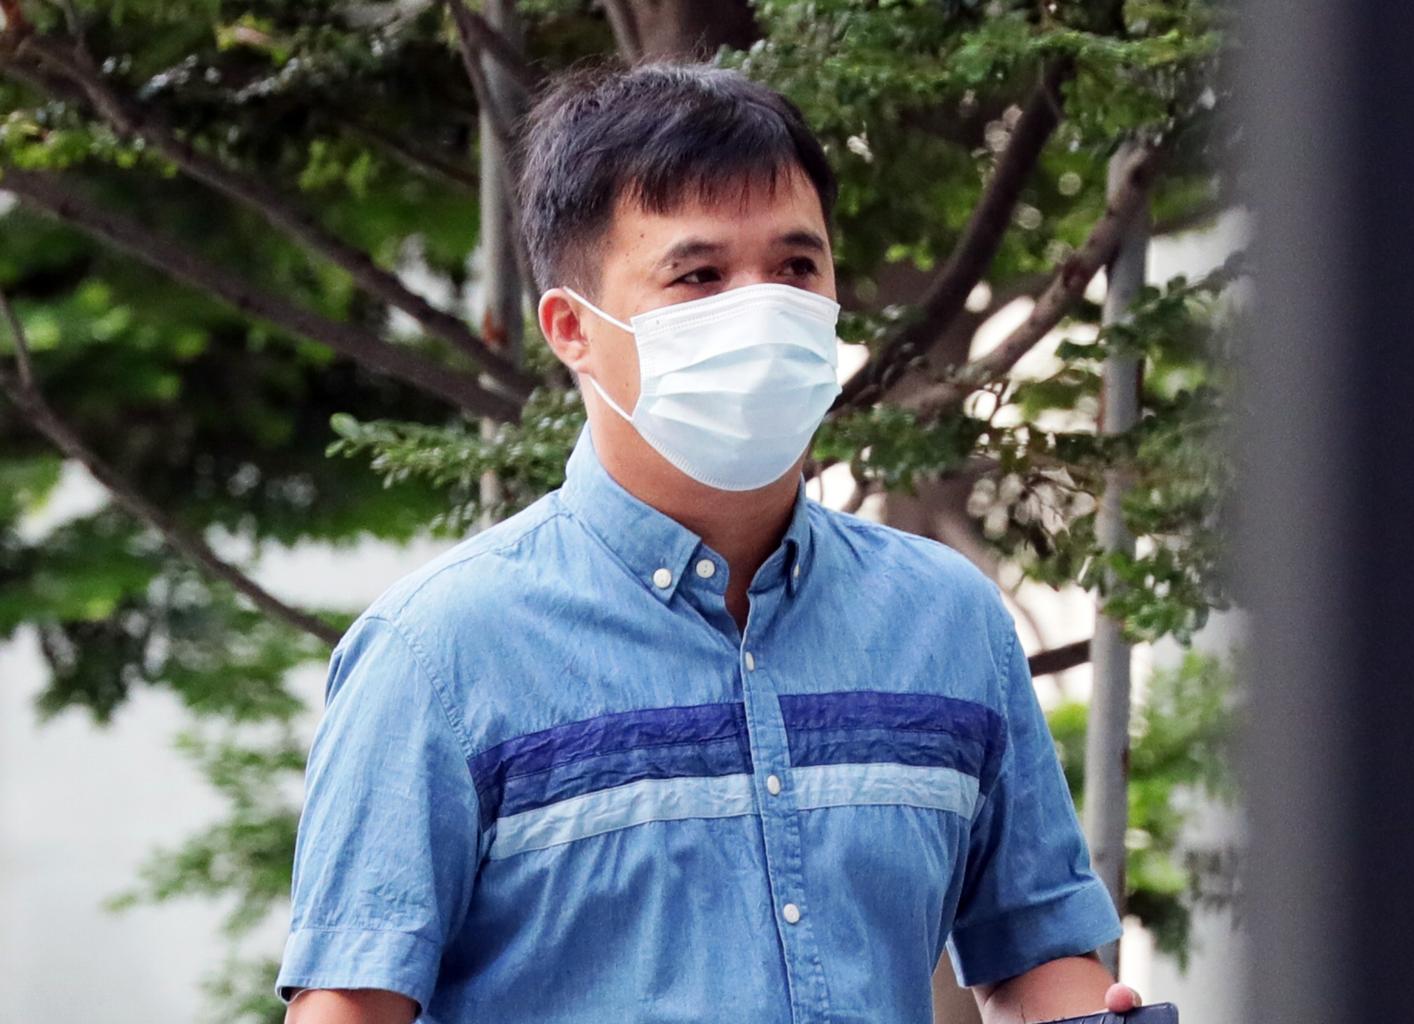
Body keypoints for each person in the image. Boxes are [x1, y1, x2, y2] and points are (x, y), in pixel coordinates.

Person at [277, 62, 1145, 1024]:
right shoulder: (436, 654)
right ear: (571, 328)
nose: (762, 309)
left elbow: (1038, 956)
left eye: (797, 268)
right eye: (699, 276)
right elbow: (348, 1009)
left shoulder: (947, 617)